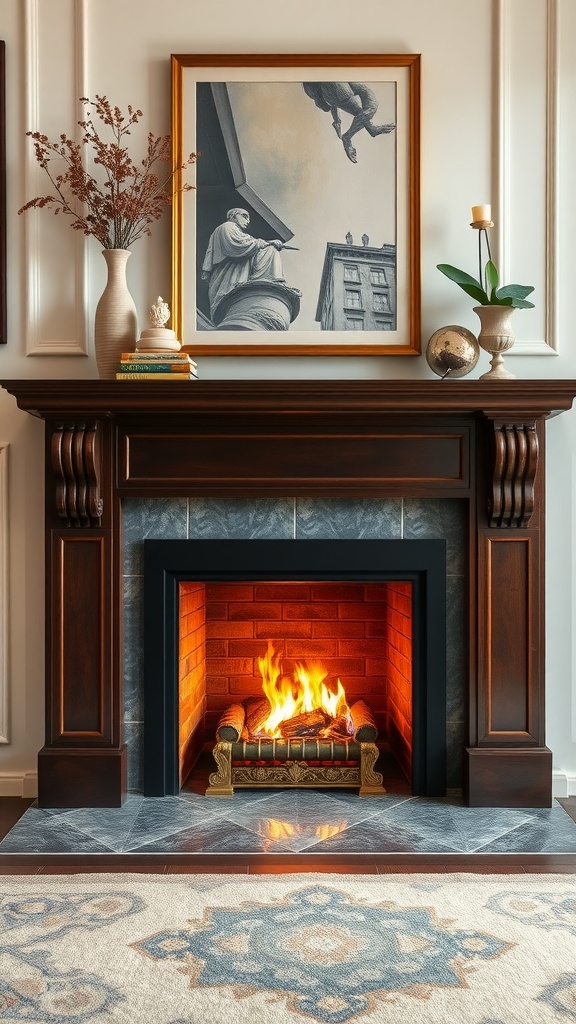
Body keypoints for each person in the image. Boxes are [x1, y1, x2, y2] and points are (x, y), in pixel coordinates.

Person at [201, 208, 286, 320]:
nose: (247, 221)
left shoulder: (234, 230)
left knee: (270, 249)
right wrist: (268, 243)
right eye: (244, 216)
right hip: (226, 279)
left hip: (233, 277)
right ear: (233, 216)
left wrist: (266, 244)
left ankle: (269, 283)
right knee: (270, 249)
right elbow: (238, 244)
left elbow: (247, 243)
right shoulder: (227, 227)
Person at [302, 81, 395, 163]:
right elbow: (329, 101)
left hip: (337, 80)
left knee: (366, 103)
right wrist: (336, 120)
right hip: (334, 85)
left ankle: (369, 130)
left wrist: (336, 120)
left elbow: (329, 102)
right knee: (368, 106)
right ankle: (348, 136)